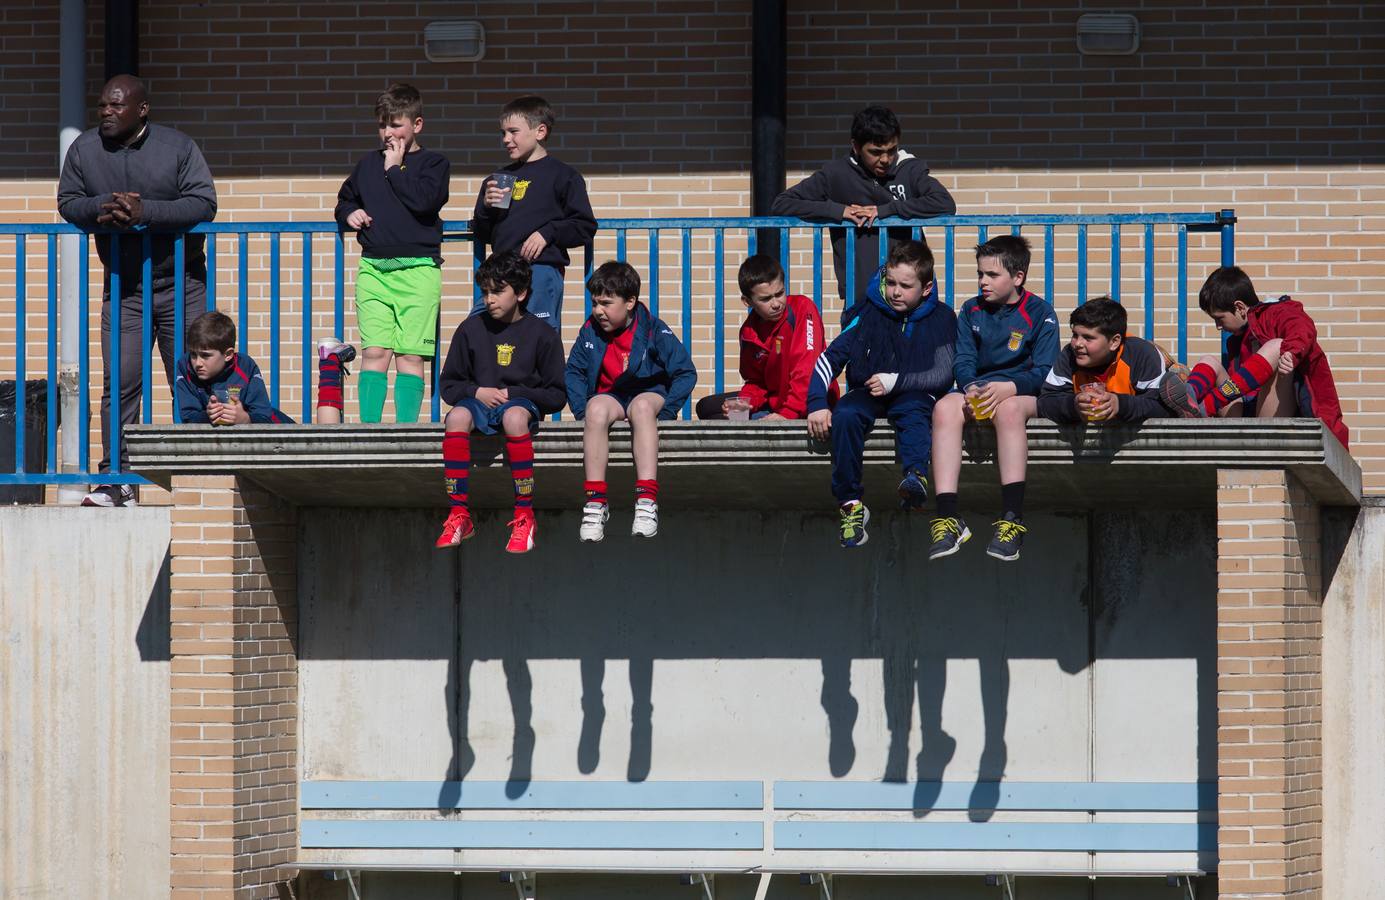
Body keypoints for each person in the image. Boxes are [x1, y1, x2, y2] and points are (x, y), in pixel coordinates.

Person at [58, 74, 217, 507]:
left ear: (141, 110)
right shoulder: (85, 149)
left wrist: (148, 212)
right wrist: (101, 207)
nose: (105, 113)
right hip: (124, 288)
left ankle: (202, 480)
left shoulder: (177, 147)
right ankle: (117, 480)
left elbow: (204, 202)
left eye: (116, 106)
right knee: (121, 382)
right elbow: (68, 200)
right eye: (102, 106)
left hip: (181, 284)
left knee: (192, 378)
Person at [806, 241, 956, 548]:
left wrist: (895, 382)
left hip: (914, 392)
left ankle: (915, 477)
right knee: (845, 414)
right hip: (867, 393)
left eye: (905, 285)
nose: (896, 292)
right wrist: (817, 403)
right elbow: (830, 358)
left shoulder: (942, 318)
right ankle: (850, 504)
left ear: (926, 288)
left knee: (915, 409)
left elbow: (943, 374)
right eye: (891, 283)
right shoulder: (868, 312)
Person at [928, 236, 1059, 563]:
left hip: (1022, 394)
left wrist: (1009, 388)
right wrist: (970, 386)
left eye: (992, 275)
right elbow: (963, 360)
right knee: (944, 407)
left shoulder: (1040, 313)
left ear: (1018, 277)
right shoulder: (971, 310)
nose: (983, 281)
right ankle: (948, 518)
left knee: (1010, 410)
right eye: (980, 274)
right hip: (981, 390)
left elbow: (1045, 372)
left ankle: (1012, 518)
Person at [333, 83, 450, 425]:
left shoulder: (434, 163)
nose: (388, 133)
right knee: (374, 352)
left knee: (410, 356)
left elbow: (425, 202)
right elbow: (345, 198)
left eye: (396, 124)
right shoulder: (367, 164)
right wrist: (348, 213)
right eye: (382, 125)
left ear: (417, 125)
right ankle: (370, 430)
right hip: (374, 268)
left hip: (419, 270)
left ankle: (406, 431)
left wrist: (395, 168)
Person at [434, 252, 566, 554]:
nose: (490, 299)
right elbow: (448, 385)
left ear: (520, 293)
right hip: (478, 404)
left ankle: (524, 514)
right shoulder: (470, 329)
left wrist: (518, 393)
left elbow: (557, 395)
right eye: (485, 292)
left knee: (514, 418)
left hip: (520, 406)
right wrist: (477, 392)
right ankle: (459, 513)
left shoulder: (543, 334)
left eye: (498, 291)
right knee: (455, 418)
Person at [565, 261, 697, 542]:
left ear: (630, 302)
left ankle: (647, 501)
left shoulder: (653, 330)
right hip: (613, 396)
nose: (598, 311)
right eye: (594, 303)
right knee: (596, 408)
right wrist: (582, 412)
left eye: (606, 303)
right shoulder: (590, 330)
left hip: (648, 394)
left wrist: (668, 411)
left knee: (641, 407)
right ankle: (595, 502)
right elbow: (573, 371)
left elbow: (685, 372)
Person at [772, 105, 956, 302]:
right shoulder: (836, 173)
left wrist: (888, 210)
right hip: (860, 293)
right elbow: (781, 204)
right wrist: (838, 210)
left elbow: (945, 204)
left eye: (891, 150)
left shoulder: (910, 169)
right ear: (856, 147)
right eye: (876, 152)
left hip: (911, 292)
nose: (885, 159)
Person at [1162, 266, 1348, 449]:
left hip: (1277, 417)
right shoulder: (1236, 342)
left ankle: (1204, 408)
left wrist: (1291, 354)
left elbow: (1303, 329)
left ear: (1240, 307)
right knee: (1209, 360)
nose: (1218, 326)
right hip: (1247, 414)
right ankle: (1188, 401)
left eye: (1220, 318)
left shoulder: (1279, 312)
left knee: (1276, 346)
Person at [471, 96, 598, 334]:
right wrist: (485, 208)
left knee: (538, 334)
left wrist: (548, 233)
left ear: (540, 131)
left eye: (513, 132)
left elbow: (584, 226)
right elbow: (483, 232)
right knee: (477, 330)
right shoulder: (498, 178)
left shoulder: (563, 176)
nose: (506, 139)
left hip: (541, 269)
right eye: (503, 133)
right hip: (500, 273)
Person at [695, 255, 836, 420]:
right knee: (707, 408)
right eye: (766, 299)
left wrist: (785, 415)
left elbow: (807, 371)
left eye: (780, 293)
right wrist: (747, 401)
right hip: (776, 404)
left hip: (810, 406)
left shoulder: (802, 309)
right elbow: (756, 381)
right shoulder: (748, 332)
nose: (776, 304)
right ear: (747, 301)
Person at [1038, 297, 1180, 435]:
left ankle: (1182, 377)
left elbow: (1163, 407)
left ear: (1114, 342)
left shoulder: (1142, 354)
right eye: (1075, 335)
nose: (1077, 344)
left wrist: (1120, 405)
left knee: (1176, 380)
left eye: (1088, 338)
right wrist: (1073, 406)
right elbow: (1045, 402)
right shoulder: (1069, 355)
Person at [173, 311, 293, 425]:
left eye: (206, 355)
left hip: (276, 434)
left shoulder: (245, 366)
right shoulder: (185, 366)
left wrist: (246, 419)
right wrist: (208, 415)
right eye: (193, 354)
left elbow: (264, 415)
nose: (198, 363)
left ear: (228, 355)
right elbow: (188, 417)